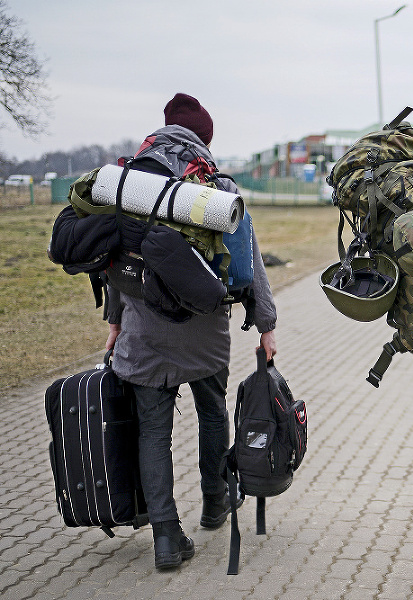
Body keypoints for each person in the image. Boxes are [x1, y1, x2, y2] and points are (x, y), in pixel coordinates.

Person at [105, 93, 278, 570]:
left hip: (143, 331)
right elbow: (250, 264)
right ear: (204, 137)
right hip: (204, 332)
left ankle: (165, 536)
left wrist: (115, 323)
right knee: (211, 413)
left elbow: (119, 260)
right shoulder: (216, 188)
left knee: (153, 432)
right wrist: (266, 326)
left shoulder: (133, 185)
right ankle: (214, 501)